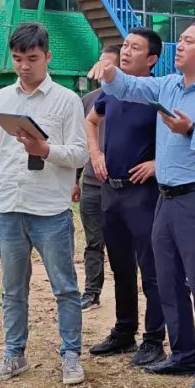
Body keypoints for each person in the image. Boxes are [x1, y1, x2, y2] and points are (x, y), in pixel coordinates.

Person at [87, 22, 195, 388]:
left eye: (189, 41)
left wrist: (193, 130)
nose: (180, 45)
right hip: (165, 199)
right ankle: (184, 354)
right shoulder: (168, 85)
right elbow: (129, 87)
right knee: (167, 280)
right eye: (181, 39)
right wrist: (110, 74)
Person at [0, 23, 89, 386]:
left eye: (33, 59)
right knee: (12, 288)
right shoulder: (1, 99)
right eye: (18, 59)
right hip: (9, 207)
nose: (25, 66)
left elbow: (80, 153)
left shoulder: (66, 100)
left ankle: (70, 355)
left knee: (65, 287)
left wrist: (45, 150)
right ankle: (13, 354)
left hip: (50, 210)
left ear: (48, 57)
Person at [85, 29, 168, 367]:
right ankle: (123, 331)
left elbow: (181, 136)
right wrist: (95, 153)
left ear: (152, 59)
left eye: (135, 48)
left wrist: (158, 162)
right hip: (111, 191)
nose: (126, 52)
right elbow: (92, 121)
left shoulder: (159, 93)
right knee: (120, 265)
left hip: (144, 194)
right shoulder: (111, 90)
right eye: (125, 46)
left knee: (151, 269)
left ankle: (153, 339)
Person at [76, 45, 121, 310]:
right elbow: (79, 143)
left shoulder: (132, 97)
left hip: (121, 186)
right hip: (92, 185)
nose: (102, 68)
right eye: (100, 62)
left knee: (123, 246)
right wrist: (75, 179)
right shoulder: (88, 100)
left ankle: (126, 297)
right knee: (94, 242)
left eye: (109, 64)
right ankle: (92, 292)